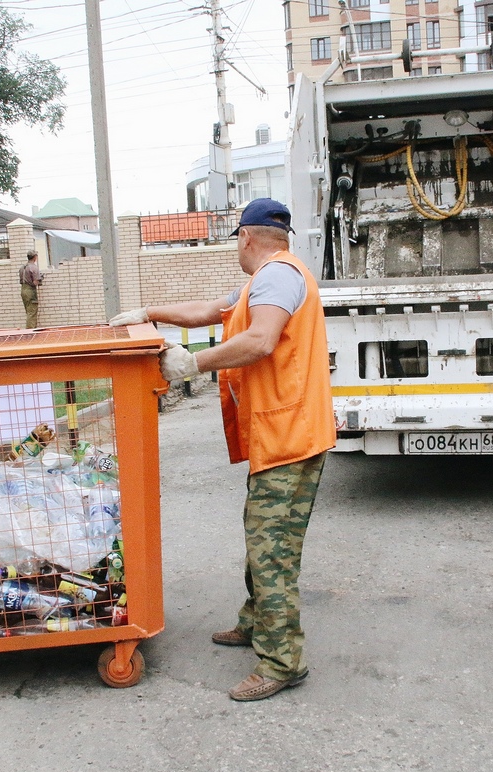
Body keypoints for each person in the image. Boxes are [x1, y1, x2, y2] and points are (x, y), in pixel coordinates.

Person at [110, 198, 336, 702]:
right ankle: (257, 623)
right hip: (288, 435)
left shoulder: (276, 278)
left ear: (246, 237)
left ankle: (282, 662)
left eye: (236, 238)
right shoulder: (268, 279)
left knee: (271, 549)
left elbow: (260, 340)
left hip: (289, 438)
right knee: (262, 536)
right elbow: (208, 312)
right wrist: (148, 313)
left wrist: (195, 365)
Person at [20, 250, 43, 328]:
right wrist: (41, 278)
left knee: (29, 312)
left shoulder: (22, 267)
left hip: (23, 290)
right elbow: (35, 282)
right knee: (32, 313)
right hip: (30, 291)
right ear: (35, 257)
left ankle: (31, 330)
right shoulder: (33, 267)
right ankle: (30, 333)